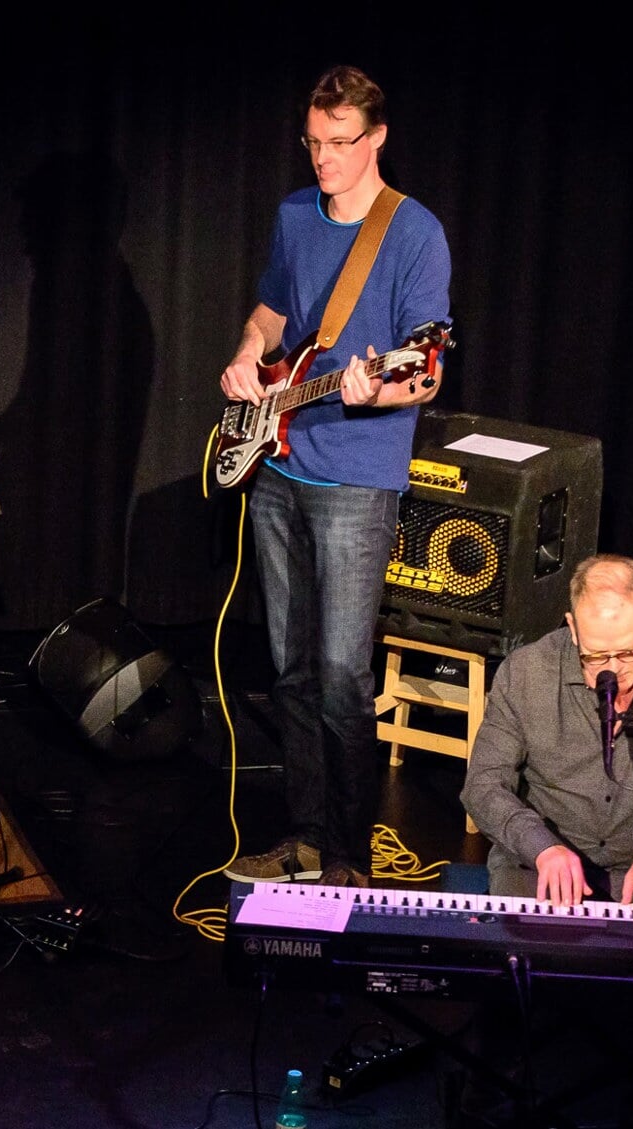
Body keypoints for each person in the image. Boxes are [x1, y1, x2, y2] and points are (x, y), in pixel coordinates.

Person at [220, 66, 453, 888]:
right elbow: (272, 313)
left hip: (358, 478)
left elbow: (424, 373)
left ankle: (350, 853)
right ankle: (305, 835)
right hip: (279, 461)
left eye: (339, 144)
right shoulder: (293, 214)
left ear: (376, 136)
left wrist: (377, 387)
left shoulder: (414, 233)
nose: (323, 159)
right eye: (313, 144)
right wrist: (249, 356)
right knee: (288, 670)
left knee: (344, 678)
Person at [461, 553, 633, 910]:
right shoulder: (525, 672)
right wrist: (540, 846)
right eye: (597, 657)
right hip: (538, 862)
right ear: (572, 628)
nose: (616, 672)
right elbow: (483, 785)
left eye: (632, 653)